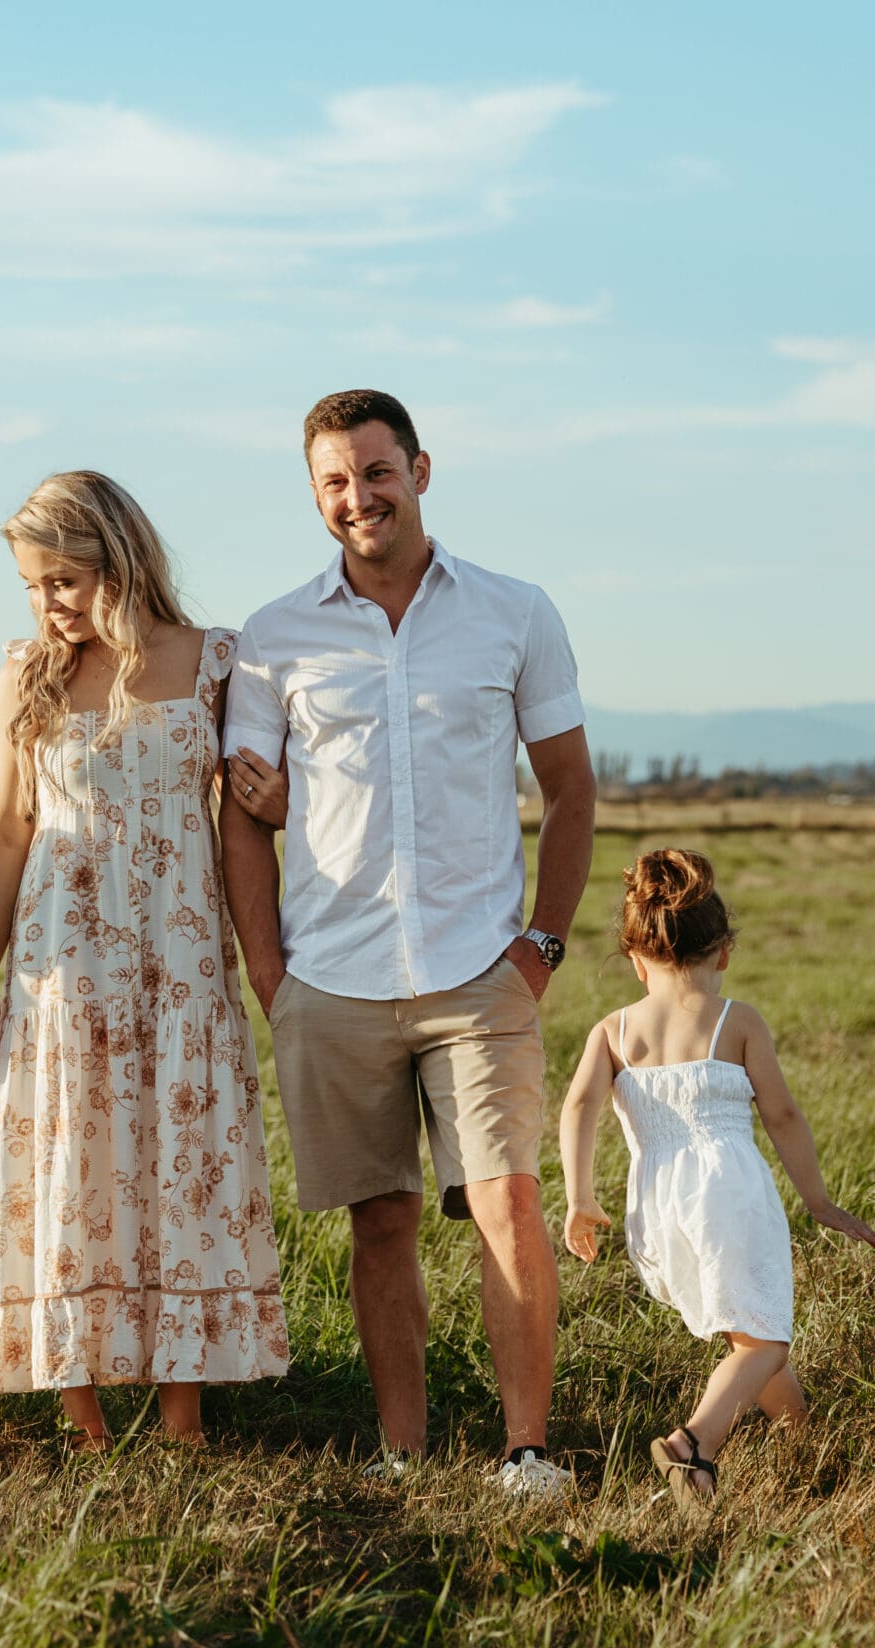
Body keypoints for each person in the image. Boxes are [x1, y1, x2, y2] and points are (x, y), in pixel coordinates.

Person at [219, 389, 597, 1498]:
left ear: (420, 471)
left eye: (374, 473)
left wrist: (541, 947)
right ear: (314, 495)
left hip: (480, 968)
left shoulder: (514, 612)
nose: (357, 498)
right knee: (378, 1224)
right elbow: (243, 810)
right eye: (334, 482)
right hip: (328, 977)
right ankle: (401, 1452)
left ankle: (525, 1450)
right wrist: (268, 973)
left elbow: (570, 789)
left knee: (508, 1200)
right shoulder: (273, 638)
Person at [0, 470, 289, 1448]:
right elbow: (3, 835)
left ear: (123, 560)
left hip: (181, 969)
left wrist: (275, 809)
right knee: (73, 1174)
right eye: (31, 585)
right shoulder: (27, 673)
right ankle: (85, 1418)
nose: (47, 604)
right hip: (63, 975)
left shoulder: (218, 662)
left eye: (62, 580)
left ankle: (182, 1417)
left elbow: (248, 828)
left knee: (178, 1174)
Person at [557, 848, 875, 1509]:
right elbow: (783, 1114)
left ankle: (805, 1445)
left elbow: (579, 1106)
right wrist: (817, 1200)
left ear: (635, 958)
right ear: (723, 952)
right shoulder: (738, 1021)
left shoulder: (613, 1030)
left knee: (747, 1332)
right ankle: (694, 1444)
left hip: (658, 1205)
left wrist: (579, 1197)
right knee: (767, 1338)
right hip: (728, 1194)